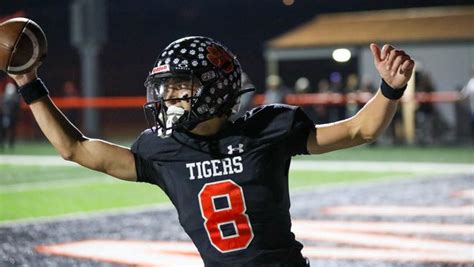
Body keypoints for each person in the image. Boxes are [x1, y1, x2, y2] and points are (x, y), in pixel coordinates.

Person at [10, 36, 414, 267]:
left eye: (179, 87)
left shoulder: (266, 130)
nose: (168, 98)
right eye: (164, 87)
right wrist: (29, 83)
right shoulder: (162, 151)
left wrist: (390, 88)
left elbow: (359, 129)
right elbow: (74, 148)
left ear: (216, 88)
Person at [0, 73, 20, 150]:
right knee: (4, 130)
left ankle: (10, 144)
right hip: (6, 116)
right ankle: (3, 143)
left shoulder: (14, 99)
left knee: (11, 131)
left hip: (11, 117)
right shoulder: (5, 99)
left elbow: (16, 109)